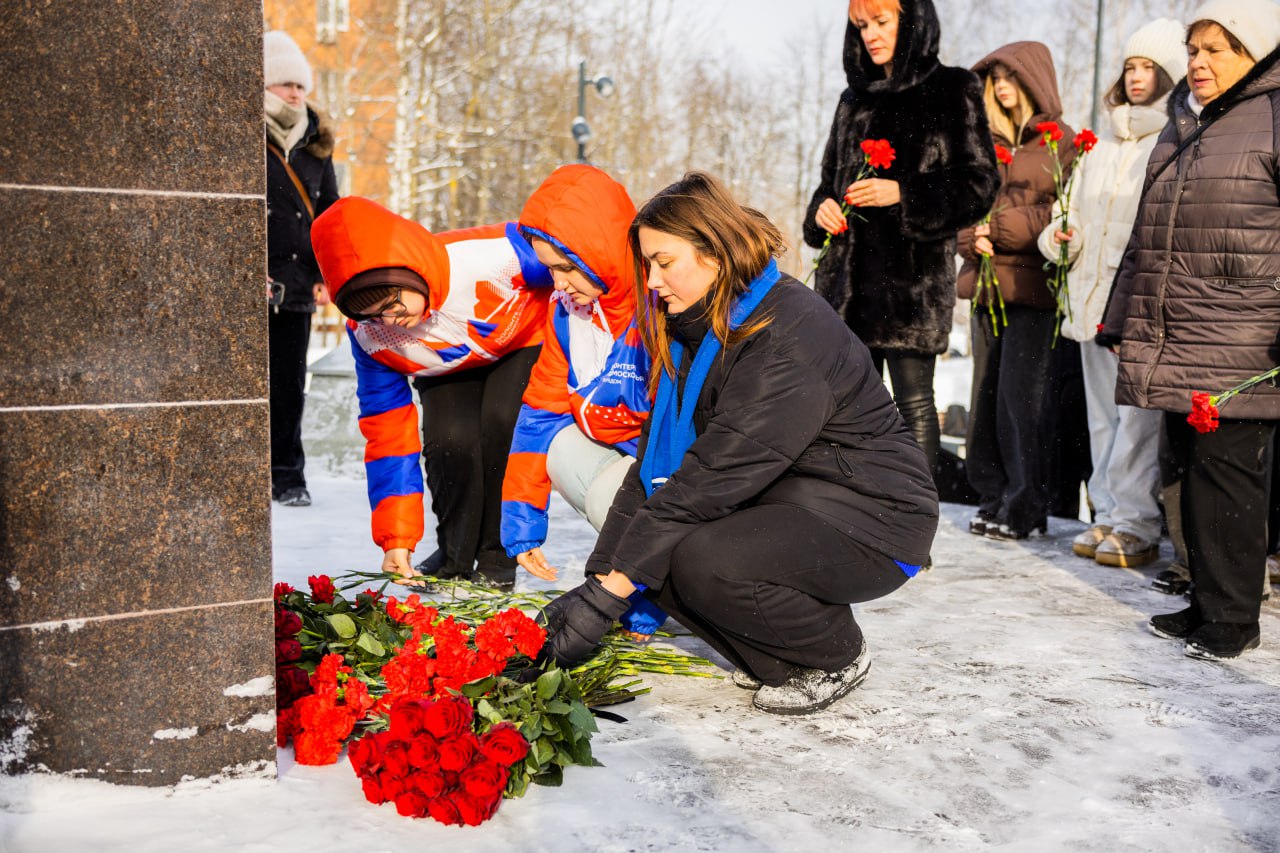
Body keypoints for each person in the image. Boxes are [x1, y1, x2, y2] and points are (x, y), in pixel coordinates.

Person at [538, 172, 939, 716]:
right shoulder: (693, 332)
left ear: (717, 254)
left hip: (875, 517)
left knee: (704, 559)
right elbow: (652, 470)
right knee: (660, 551)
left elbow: (711, 476)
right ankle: (781, 661)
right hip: (796, 499)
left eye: (664, 261)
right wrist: (596, 583)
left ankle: (835, 654)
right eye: (647, 265)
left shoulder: (785, 333)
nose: (652, 281)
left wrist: (606, 597)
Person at [1100, 0, 1280, 660]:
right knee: (1190, 476)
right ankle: (1205, 600)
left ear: (1254, 55)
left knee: (1231, 478)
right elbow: (1146, 237)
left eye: (1216, 50)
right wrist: (1120, 315)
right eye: (1194, 50)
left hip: (1244, 340)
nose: (1198, 63)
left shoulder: (1273, 114)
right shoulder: (1182, 125)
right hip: (1176, 334)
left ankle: (1234, 617)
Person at [803, 0, 1000, 485]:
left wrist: (904, 192)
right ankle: (855, 517)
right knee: (845, 411)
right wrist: (821, 211)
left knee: (913, 404)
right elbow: (829, 182)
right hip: (846, 289)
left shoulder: (953, 88)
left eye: (882, 21)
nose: (870, 34)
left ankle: (914, 525)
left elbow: (979, 182)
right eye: (862, 26)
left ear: (911, 20)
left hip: (909, 284)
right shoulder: (853, 100)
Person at [310, 196, 552, 589]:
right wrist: (395, 540)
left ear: (409, 274)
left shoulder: (494, 255)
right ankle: (454, 553)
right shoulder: (371, 337)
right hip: (444, 365)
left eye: (392, 303)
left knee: (502, 422)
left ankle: (499, 554)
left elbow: (577, 263)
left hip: (523, 340)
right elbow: (388, 434)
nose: (391, 320)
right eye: (374, 315)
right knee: (448, 442)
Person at [1035, 19, 1185, 567]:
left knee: (1138, 423)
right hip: (1088, 304)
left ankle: (1137, 522)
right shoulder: (1098, 149)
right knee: (1102, 419)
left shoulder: (1170, 141)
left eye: (1150, 67)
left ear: (1172, 75)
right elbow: (1065, 215)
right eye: (1130, 67)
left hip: (1139, 311)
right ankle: (1107, 515)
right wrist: (1059, 236)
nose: (1137, 77)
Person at [498, 165, 664, 637]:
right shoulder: (568, 315)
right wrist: (522, 525)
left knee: (639, 492)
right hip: (616, 462)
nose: (559, 283)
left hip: (663, 477)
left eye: (568, 268)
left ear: (605, 253)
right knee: (558, 444)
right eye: (550, 268)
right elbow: (539, 415)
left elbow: (675, 446)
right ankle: (635, 581)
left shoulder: (657, 311)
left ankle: (654, 589)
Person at [957, 42, 1075, 541]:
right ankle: (991, 496)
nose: (1002, 87)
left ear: (1034, 81)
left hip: (1032, 291)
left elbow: (1064, 213)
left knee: (1021, 403)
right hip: (988, 289)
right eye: (995, 78)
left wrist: (999, 229)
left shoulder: (1060, 142)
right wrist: (970, 235)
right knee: (983, 400)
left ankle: (1025, 506)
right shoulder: (982, 142)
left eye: (1011, 77)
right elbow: (960, 204)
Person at [263, 30, 340, 507]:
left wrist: (325, 276)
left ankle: (288, 477)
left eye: (301, 86)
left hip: (297, 287)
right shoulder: (239, 138)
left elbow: (329, 214)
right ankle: (249, 470)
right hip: (254, 283)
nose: (295, 93)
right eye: (284, 84)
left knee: (290, 384)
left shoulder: (315, 144)